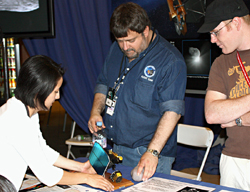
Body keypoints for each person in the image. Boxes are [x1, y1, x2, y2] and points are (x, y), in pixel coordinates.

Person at [88, 2, 187, 181]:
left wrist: (152, 152)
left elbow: (172, 112)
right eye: (120, 41)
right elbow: (103, 83)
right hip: (115, 147)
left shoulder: (170, 61)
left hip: (147, 152)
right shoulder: (115, 50)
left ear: (146, 31)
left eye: (131, 41)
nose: (125, 48)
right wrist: (96, 111)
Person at [0, 55, 114, 192]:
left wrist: (80, 167)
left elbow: (42, 150)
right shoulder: (16, 120)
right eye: (55, 91)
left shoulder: (28, 110)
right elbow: (46, 174)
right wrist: (87, 178)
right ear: (39, 91)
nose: (58, 96)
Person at [198, 0, 250, 190]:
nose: (212, 40)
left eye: (216, 32)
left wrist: (237, 119)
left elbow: (224, 113)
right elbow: (212, 114)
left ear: (236, 23)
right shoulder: (221, 63)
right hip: (233, 161)